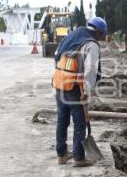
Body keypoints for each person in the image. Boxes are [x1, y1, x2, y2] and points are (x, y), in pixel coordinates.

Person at [52, 17, 107, 167]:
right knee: (80, 122)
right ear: (97, 32)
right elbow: (91, 70)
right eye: (101, 35)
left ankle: (62, 154)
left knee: (62, 120)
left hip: (59, 83)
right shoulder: (91, 44)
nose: (100, 38)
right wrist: (87, 91)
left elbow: (56, 56)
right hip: (74, 88)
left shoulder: (71, 36)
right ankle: (79, 157)